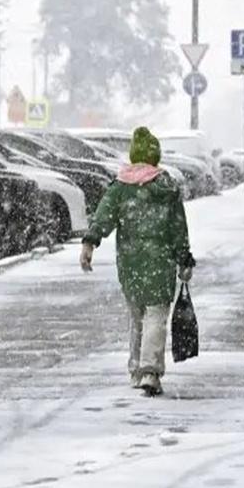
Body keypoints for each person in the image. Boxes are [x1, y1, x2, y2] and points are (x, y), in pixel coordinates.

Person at [79, 127, 195, 396]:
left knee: (137, 316)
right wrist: (183, 258)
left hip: (131, 263)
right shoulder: (167, 187)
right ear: (155, 158)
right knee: (155, 315)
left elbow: (103, 217)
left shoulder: (121, 187)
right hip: (160, 261)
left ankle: (136, 369)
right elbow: (178, 228)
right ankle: (150, 371)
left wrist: (89, 243)